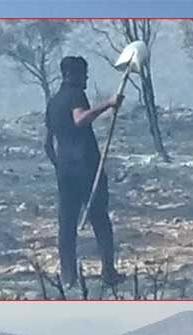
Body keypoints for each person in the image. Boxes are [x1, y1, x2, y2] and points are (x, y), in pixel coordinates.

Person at [44, 56, 124, 287]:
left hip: (65, 172)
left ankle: (69, 277)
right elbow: (79, 119)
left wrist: (60, 165)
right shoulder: (75, 95)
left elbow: (47, 144)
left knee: (67, 224)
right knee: (100, 219)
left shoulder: (53, 102)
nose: (86, 78)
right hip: (87, 170)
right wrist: (108, 103)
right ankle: (108, 273)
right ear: (72, 75)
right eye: (83, 73)